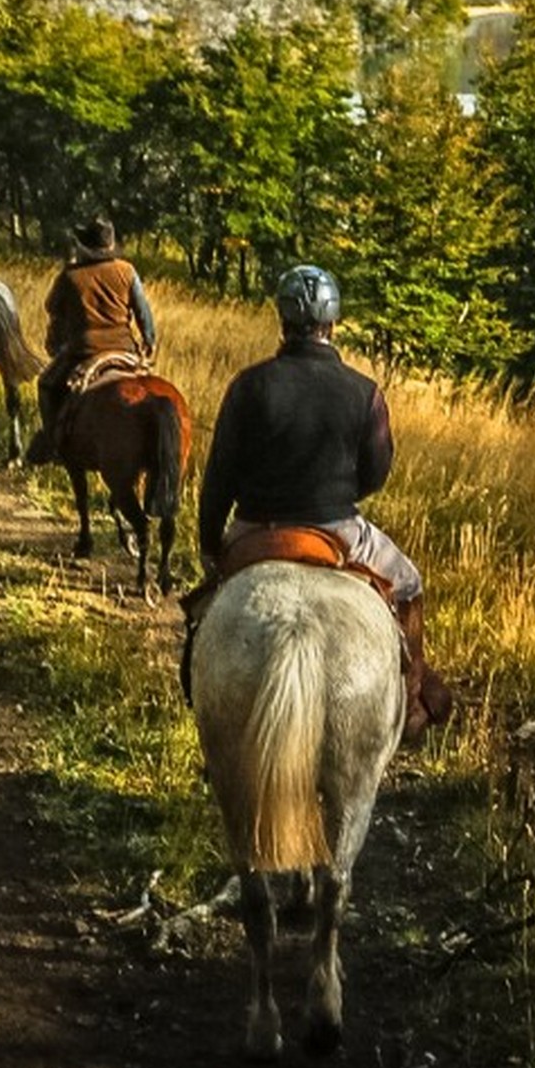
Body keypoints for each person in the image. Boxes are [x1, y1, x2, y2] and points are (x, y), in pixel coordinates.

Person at [191, 264, 451, 740]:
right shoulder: (364, 392)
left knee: (200, 620)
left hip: (255, 530)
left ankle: (209, 720)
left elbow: (218, 481)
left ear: (282, 321)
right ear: (333, 323)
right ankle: (413, 701)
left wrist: (211, 546)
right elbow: (375, 475)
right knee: (409, 583)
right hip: (339, 531)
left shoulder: (248, 386)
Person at [29, 215, 157, 458]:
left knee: (46, 384)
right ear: (110, 245)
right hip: (125, 349)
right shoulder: (127, 271)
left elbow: (51, 307)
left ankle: (52, 441)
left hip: (83, 351)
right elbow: (143, 311)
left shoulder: (70, 276)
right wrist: (149, 340)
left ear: (85, 246)